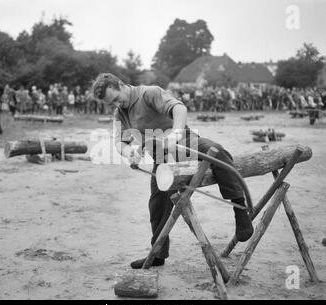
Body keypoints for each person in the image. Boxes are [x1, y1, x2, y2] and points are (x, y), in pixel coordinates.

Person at [91, 73, 254, 269]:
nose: (117, 104)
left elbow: (179, 107)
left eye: (117, 98)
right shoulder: (120, 113)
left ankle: (240, 211)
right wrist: (129, 152)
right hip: (162, 158)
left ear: (121, 85)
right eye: (112, 103)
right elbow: (119, 141)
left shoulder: (148, 93)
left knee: (217, 151)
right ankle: (158, 253)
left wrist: (176, 133)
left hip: (185, 142)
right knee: (157, 205)